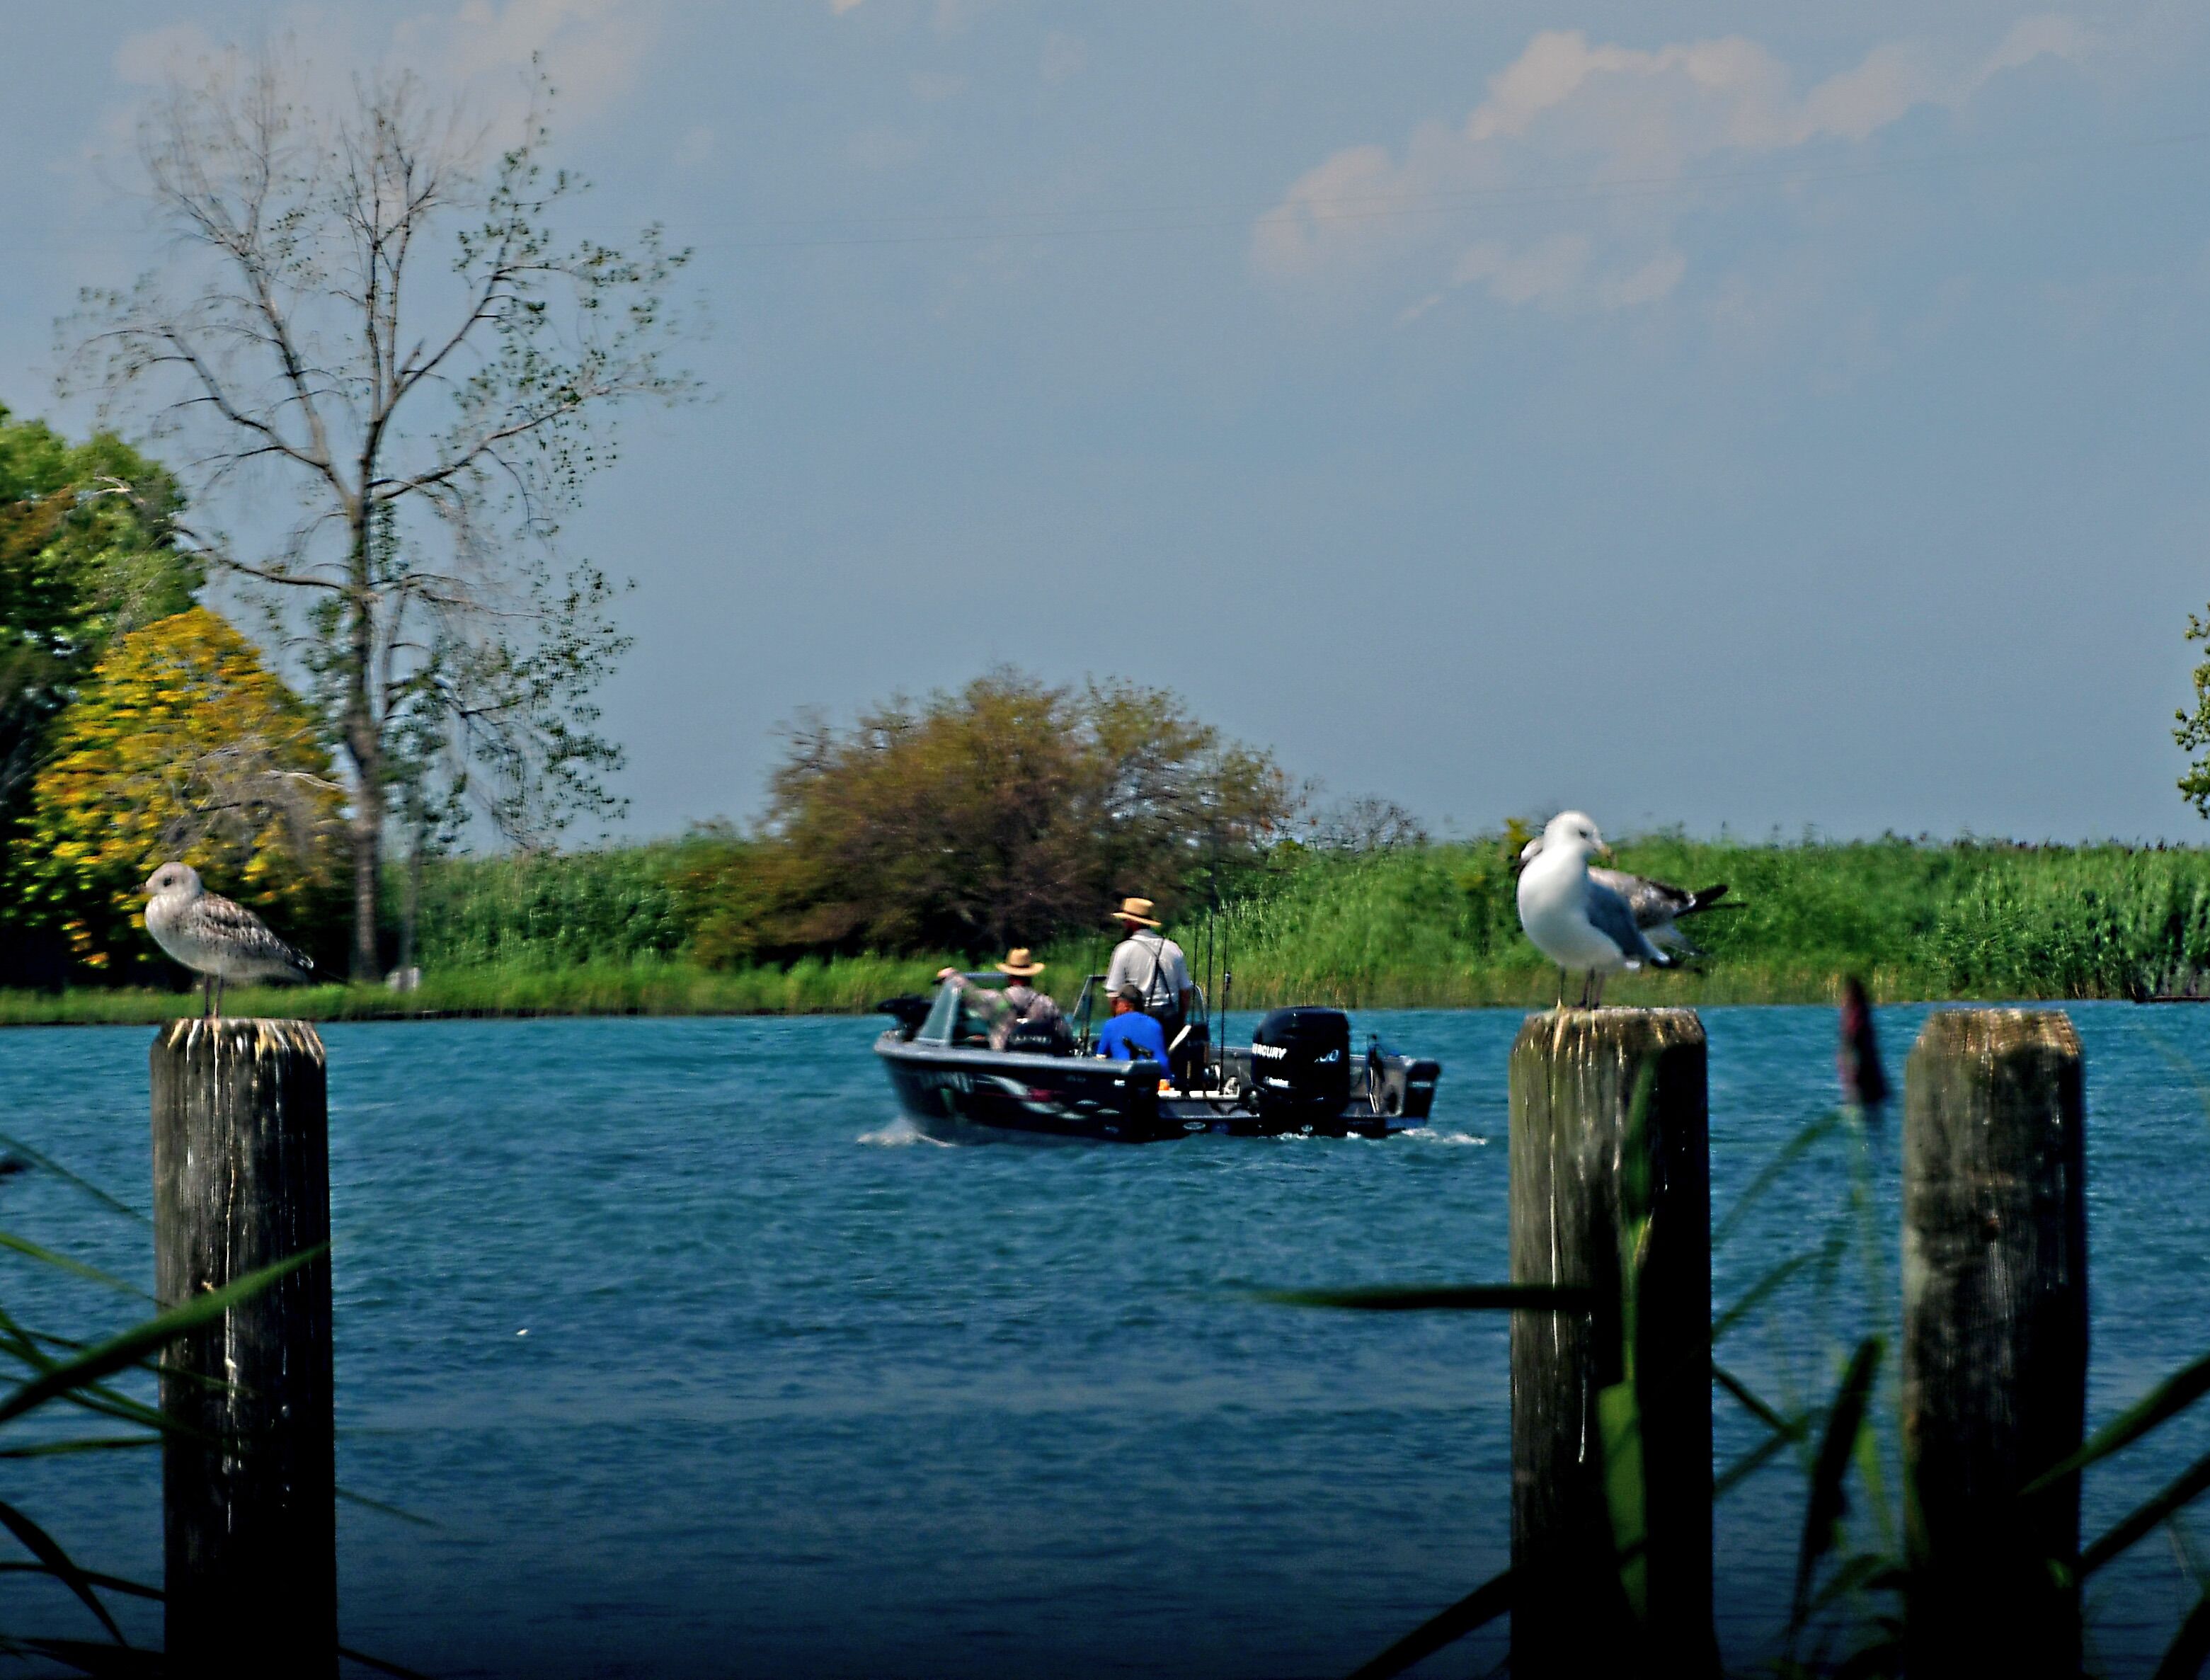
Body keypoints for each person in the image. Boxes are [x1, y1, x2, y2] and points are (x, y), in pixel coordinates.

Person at [935, 949, 1065, 1052]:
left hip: (1005, 1069)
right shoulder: (1048, 1004)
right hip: (1039, 1070)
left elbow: (970, 995)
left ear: (1009, 977)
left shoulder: (996, 1001)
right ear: (1031, 976)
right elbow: (1065, 1037)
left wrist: (953, 976)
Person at [1104, 897, 1193, 1039]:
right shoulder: (1173, 948)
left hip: (1140, 1021)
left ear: (1132, 923)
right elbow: (1185, 992)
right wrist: (1180, 1023)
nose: (1124, 925)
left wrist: (1118, 1026)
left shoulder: (1123, 950)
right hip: (1170, 1020)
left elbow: (1113, 996)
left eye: (1125, 921)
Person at [1838, 975, 1889, 1121]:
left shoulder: (1856, 1013)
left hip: (1863, 1074)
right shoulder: (1860, 1012)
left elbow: (1853, 1040)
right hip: (1866, 1074)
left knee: (1864, 1114)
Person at [1093, 985, 1169, 1065]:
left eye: (1117, 1003)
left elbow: (1100, 1059)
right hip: (1153, 1076)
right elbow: (1162, 1061)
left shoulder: (1111, 1025)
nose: (1115, 1008)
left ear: (1127, 1006)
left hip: (1123, 1075)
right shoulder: (1155, 1025)